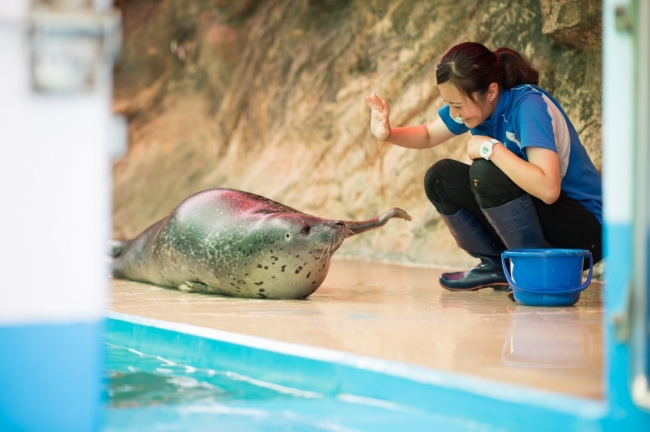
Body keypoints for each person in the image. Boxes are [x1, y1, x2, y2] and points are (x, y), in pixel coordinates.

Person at [365, 42, 602, 298]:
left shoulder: (528, 105)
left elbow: (548, 190)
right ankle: (497, 266)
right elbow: (426, 135)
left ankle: (533, 272)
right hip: (550, 219)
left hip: (586, 229)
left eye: (458, 105)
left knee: (486, 173)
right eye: (450, 104)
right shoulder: (479, 110)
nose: (455, 113)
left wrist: (491, 148)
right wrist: (388, 134)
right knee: (440, 177)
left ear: (490, 92)